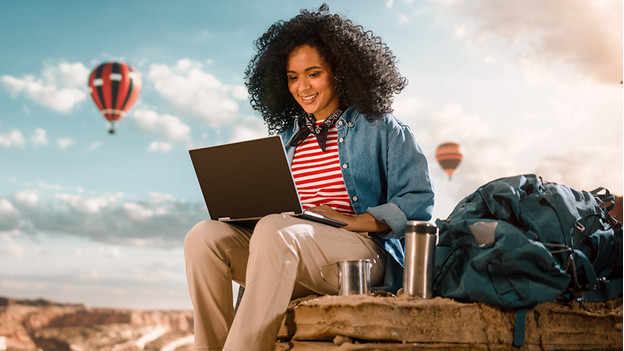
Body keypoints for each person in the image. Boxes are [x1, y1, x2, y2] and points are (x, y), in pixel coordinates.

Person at [184, 4, 434, 351]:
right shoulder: (288, 139)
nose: (302, 87)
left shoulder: (382, 127)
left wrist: (352, 221)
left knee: (274, 229)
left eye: (313, 73)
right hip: (287, 251)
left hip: (360, 257)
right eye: (292, 77)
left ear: (341, 72)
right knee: (204, 236)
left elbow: (418, 201)